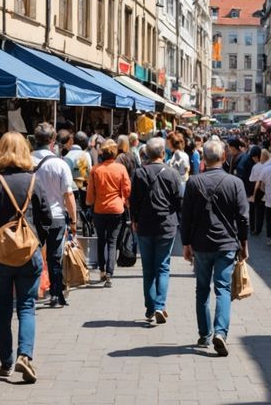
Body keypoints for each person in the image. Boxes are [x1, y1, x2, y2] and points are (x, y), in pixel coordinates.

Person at [0, 132, 53, 383]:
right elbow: (47, 218)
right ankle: (25, 355)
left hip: (0, 254)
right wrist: (37, 239)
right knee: (27, 306)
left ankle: (6, 362)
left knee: (2, 308)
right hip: (29, 252)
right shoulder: (34, 180)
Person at [181, 140, 250, 357]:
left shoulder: (193, 182)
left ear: (204, 159)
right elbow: (243, 218)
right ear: (223, 158)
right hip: (227, 243)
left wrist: (186, 243)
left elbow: (186, 217)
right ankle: (221, 332)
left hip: (201, 244)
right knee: (222, 289)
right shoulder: (235, 183)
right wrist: (244, 243)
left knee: (202, 289)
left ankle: (204, 333)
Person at [130, 137, 183, 324]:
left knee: (148, 268)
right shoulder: (173, 173)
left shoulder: (139, 173)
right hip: (167, 225)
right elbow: (179, 201)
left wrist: (134, 220)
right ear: (163, 153)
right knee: (163, 266)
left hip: (144, 225)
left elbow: (133, 200)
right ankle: (160, 305)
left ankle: (150, 308)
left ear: (147, 154)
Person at [31, 123, 79, 307]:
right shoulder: (60, 164)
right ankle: (56, 293)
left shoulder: (27, 161)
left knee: (33, 255)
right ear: (52, 141)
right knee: (54, 256)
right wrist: (74, 220)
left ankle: (33, 291)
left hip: (33, 217)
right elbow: (68, 194)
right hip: (56, 216)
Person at [86, 139, 131, 287]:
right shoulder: (120, 169)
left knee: (101, 240)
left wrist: (89, 203)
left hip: (99, 209)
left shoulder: (95, 169)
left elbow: (90, 193)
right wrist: (125, 201)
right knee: (112, 242)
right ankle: (110, 274)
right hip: (117, 209)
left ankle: (102, 270)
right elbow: (127, 190)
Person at [248, 148, 270, 237]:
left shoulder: (256, 166)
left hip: (257, 188)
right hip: (266, 189)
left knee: (253, 210)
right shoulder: (268, 165)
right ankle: (259, 228)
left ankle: (254, 228)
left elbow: (252, 180)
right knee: (261, 211)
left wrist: (253, 194)